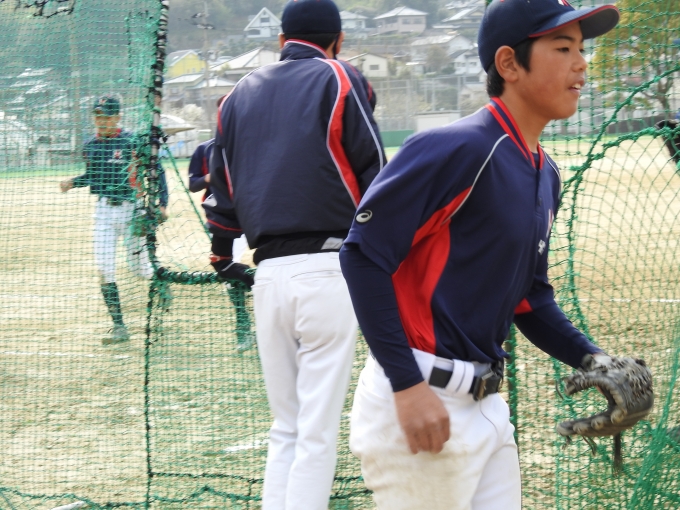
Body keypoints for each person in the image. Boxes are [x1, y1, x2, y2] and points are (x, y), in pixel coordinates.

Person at [339, 0, 623, 508]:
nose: (582, 63)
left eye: (582, 49)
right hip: (421, 395)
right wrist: (407, 385)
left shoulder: (546, 172)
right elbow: (362, 256)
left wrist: (595, 360)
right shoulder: (458, 148)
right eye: (563, 48)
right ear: (509, 63)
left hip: (487, 403)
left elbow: (530, 299)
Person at [204, 0, 384, 507]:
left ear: (282, 40)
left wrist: (221, 253)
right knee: (316, 433)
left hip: (268, 275)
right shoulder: (340, 76)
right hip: (329, 269)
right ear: (338, 41)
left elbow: (221, 189)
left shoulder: (236, 94)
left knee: (286, 427)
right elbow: (375, 172)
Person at [60, 94, 169, 345]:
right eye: (97, 116)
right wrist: (73, 182)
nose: (101, 121)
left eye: (106, 116)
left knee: (140, 269)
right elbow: (94, 176)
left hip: (132, 211)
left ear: (118, 117)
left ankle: (161, 283)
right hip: (104, 212)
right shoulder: (90, 145)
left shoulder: (132, 142)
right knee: (104, 269)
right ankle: (119, 326)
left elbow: (157, 171)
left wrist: (162, 204)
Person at [187, 135, 255, 351]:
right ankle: (243, 328)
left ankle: (267, 295)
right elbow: (193, 184)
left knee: (276, 261)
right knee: (227, 270)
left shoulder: (248, 140)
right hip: (225, 218)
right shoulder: (204, 148)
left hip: (255, 213)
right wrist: (211, 177)